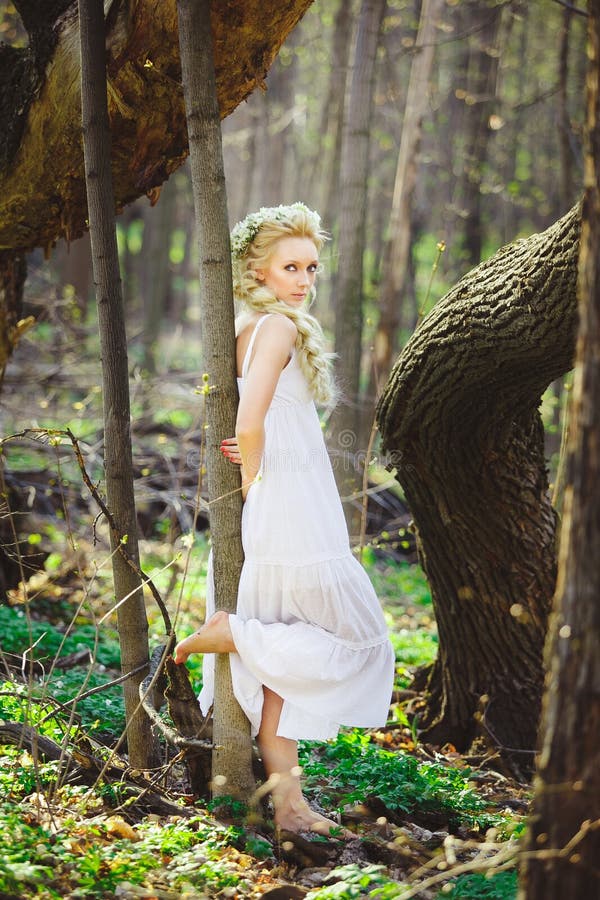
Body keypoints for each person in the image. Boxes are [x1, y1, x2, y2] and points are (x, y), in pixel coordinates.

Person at [174, 202, 395, 836]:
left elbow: (253, 422)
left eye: (311, 267)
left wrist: (252, 474)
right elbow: (248, 421)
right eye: (289, 267)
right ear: (257, 270)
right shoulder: (274, 328)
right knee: (363, 641)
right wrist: (253, 482)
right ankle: (234, 635)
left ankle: (289, 804)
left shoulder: (250, 327)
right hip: (292, 503)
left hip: (289, 499)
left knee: (282, 667)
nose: (303, 279)